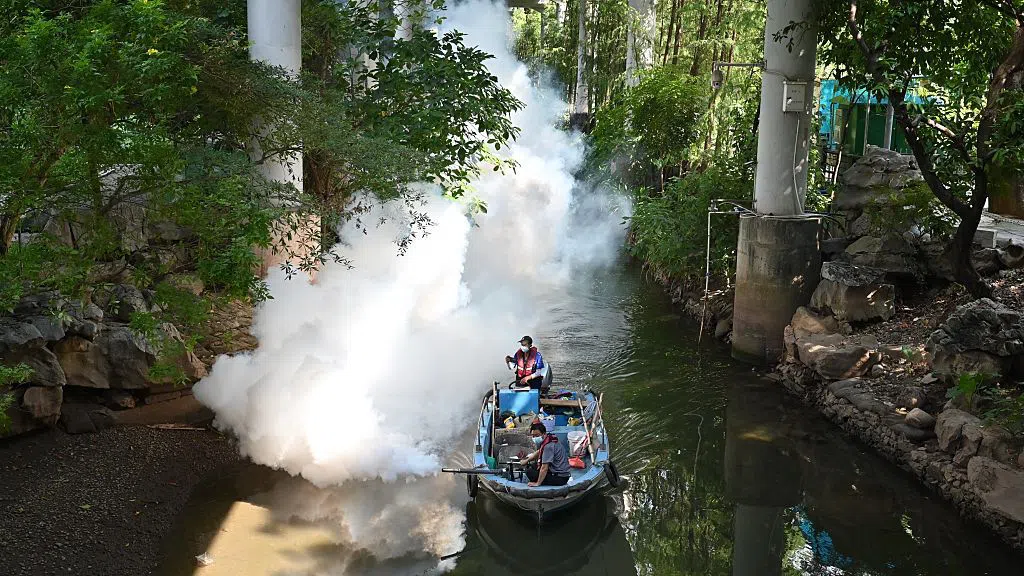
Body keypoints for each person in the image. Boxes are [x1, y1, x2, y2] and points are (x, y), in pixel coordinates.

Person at [524, 421, 570, 487]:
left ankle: (541, 483)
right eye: (533, 436)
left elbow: (544, 468)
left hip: (560, 478)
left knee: (530, 472)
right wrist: (527, 460)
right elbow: (539, 451)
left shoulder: (548, 446)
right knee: (534, 465)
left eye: (537, 435)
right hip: (559, 470)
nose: (534, 438)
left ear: (544, 433)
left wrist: (537, 483)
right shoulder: (549, 438)